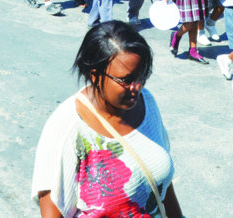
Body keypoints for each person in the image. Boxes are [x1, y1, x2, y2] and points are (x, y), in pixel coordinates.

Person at [32, 21, 182, 217]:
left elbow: (161, 184)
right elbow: (52, 208)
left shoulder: (147, 103)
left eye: (142, 75)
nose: (136, 87)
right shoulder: (67, 126)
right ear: (95, 76)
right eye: (126, 80)